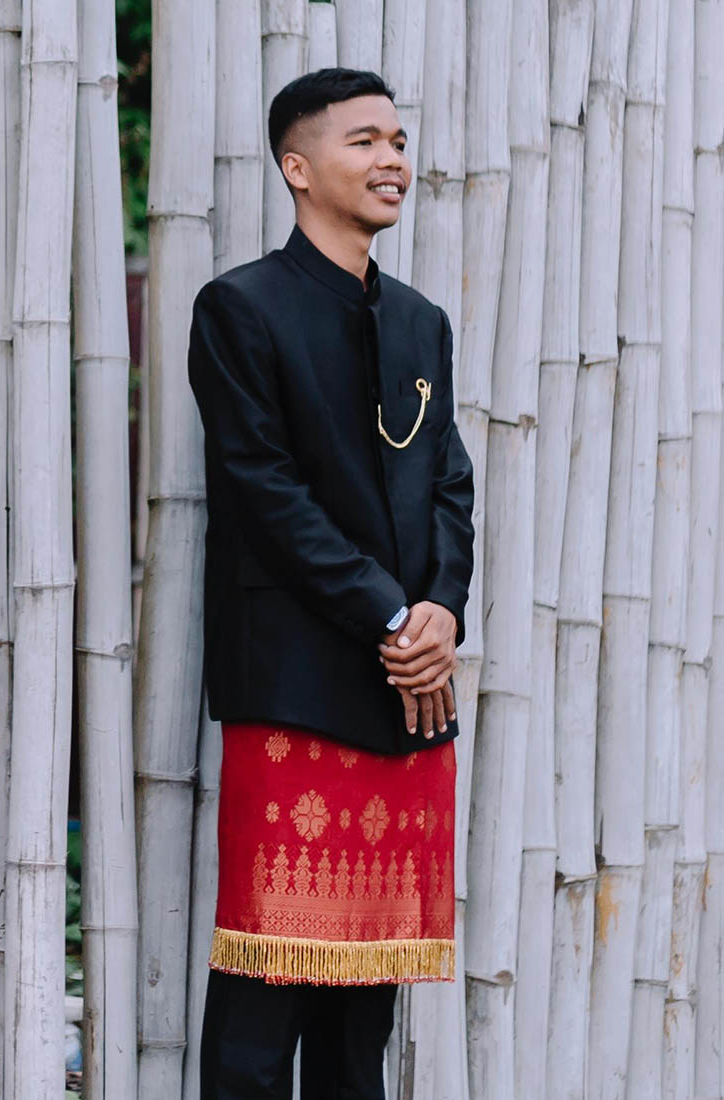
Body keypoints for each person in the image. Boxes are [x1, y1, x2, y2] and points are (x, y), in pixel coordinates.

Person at [188, 66, 475, 1100]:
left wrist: (441, 610)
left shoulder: (420, 322)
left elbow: (449, 482)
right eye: (364, 141)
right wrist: (393, 613)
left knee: (365, 1015)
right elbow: (263, 491)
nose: (392, 159)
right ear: (297, 167)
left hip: (409, 692)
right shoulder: (239, 308)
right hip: (296, 687)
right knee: (263, 1000)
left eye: (398, 140)